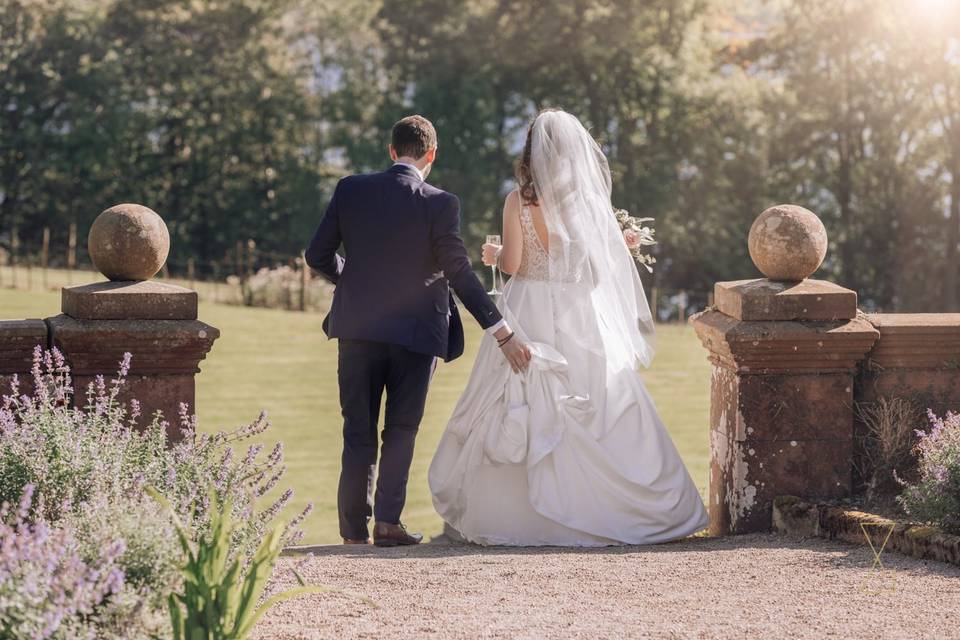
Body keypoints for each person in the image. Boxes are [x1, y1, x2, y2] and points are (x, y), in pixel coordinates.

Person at [429, 109, 708, 546]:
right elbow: (598, 273)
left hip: (528, 307)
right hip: (580, 312)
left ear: (531, 151)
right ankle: (613, 512)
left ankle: (516, 520)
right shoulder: (590, 203)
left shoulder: (518, 201)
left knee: (516, 396)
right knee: (598, 400)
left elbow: (515, 264)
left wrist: (493, 254)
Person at [305, 115, 531, 547]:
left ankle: (353, 532)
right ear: (431, 155)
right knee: (402, 428)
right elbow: (459, 272)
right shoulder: (440, 203)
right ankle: (388, 523)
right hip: (416, 333)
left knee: (357, 429)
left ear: (392, 151)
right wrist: (501, 331)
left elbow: (317, 254)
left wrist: (353, 280)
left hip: (357, 327)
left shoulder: (350, 189)